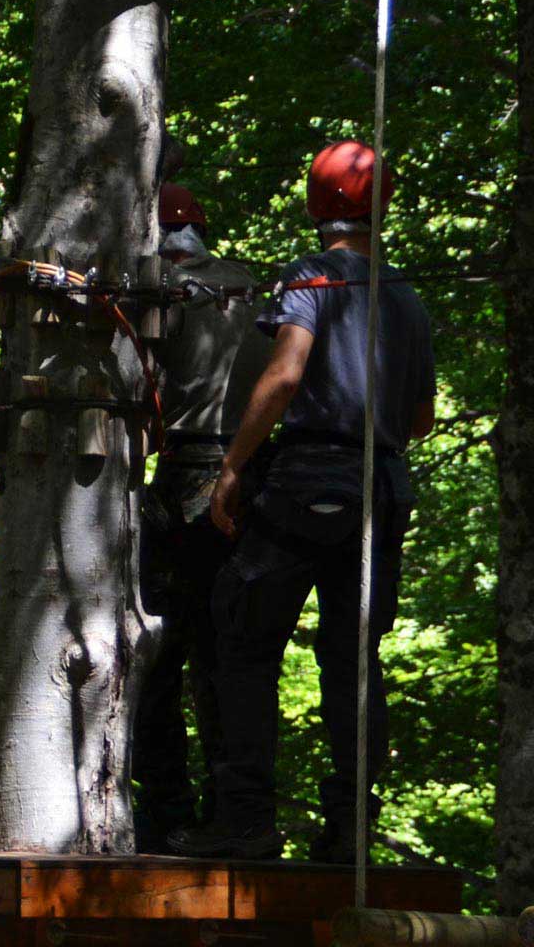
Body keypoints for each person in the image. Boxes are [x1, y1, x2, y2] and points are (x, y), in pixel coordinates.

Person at [169, 140, 434, 861]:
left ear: (317, 206)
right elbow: (420, 420)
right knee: (354, 660)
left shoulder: (312, 275)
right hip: (383, 489)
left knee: (244, 639)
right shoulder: (406, 294)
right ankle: (349, 831)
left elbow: (285, 376)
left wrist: (231, 467)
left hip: (306, 481)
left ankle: (246, 820)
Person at [130, 183, 271, 853]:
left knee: (161, 653)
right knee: (228, 654)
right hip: (253, 475)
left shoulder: (159, 290)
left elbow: (145, 394)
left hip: (188, 472)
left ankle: (167, 812)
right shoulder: (251, 288)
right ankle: (235, 812)